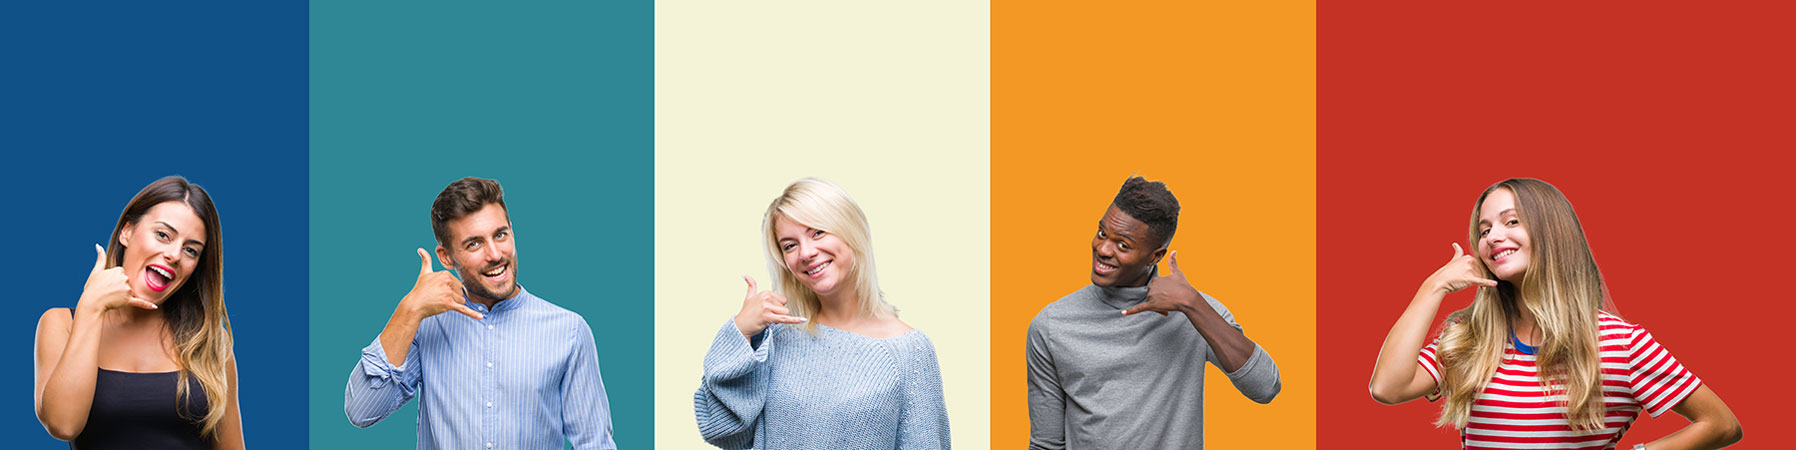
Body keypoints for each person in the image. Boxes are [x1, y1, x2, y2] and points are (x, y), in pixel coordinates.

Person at [1369, 178, 1743, 449]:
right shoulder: (1471, 337)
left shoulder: (1620, 344)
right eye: (1484, 230)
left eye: (1511, 221)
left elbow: (1721, 425)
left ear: (1552, 232)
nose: (1492, 237)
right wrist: (1433, 286)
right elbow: (1388, 387)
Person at [344, 177, 615, 449]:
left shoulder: (569, 331)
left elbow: (594, 443)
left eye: (500, 234)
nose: (495, 254)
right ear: (446, 257)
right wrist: (409, 309)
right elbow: (362, 410)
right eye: (474, 244)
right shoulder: (425, 325)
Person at [694, 177, 950, 449]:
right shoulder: (775, 336)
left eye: (818, 232)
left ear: (850, 230)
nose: (805, 253)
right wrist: (739, 333)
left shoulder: (910, 351)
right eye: (790, 245)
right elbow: (722, 430)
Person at [1026, 175, 1281, 449]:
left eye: (1123, 245)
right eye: (1102, 233)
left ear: (1155, 256)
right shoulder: (1052, 325)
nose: (1103, 249)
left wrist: (1192, 304)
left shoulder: (1194, 312)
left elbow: (1266, 387)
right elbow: (1046, 443)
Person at [34, 176, 243, 449]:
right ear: (127, 232)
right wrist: (92, 307)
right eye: (163, 235)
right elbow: (63, 424)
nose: (175, 254)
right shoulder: (60, 324)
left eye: (191, 250)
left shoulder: (209, 343)